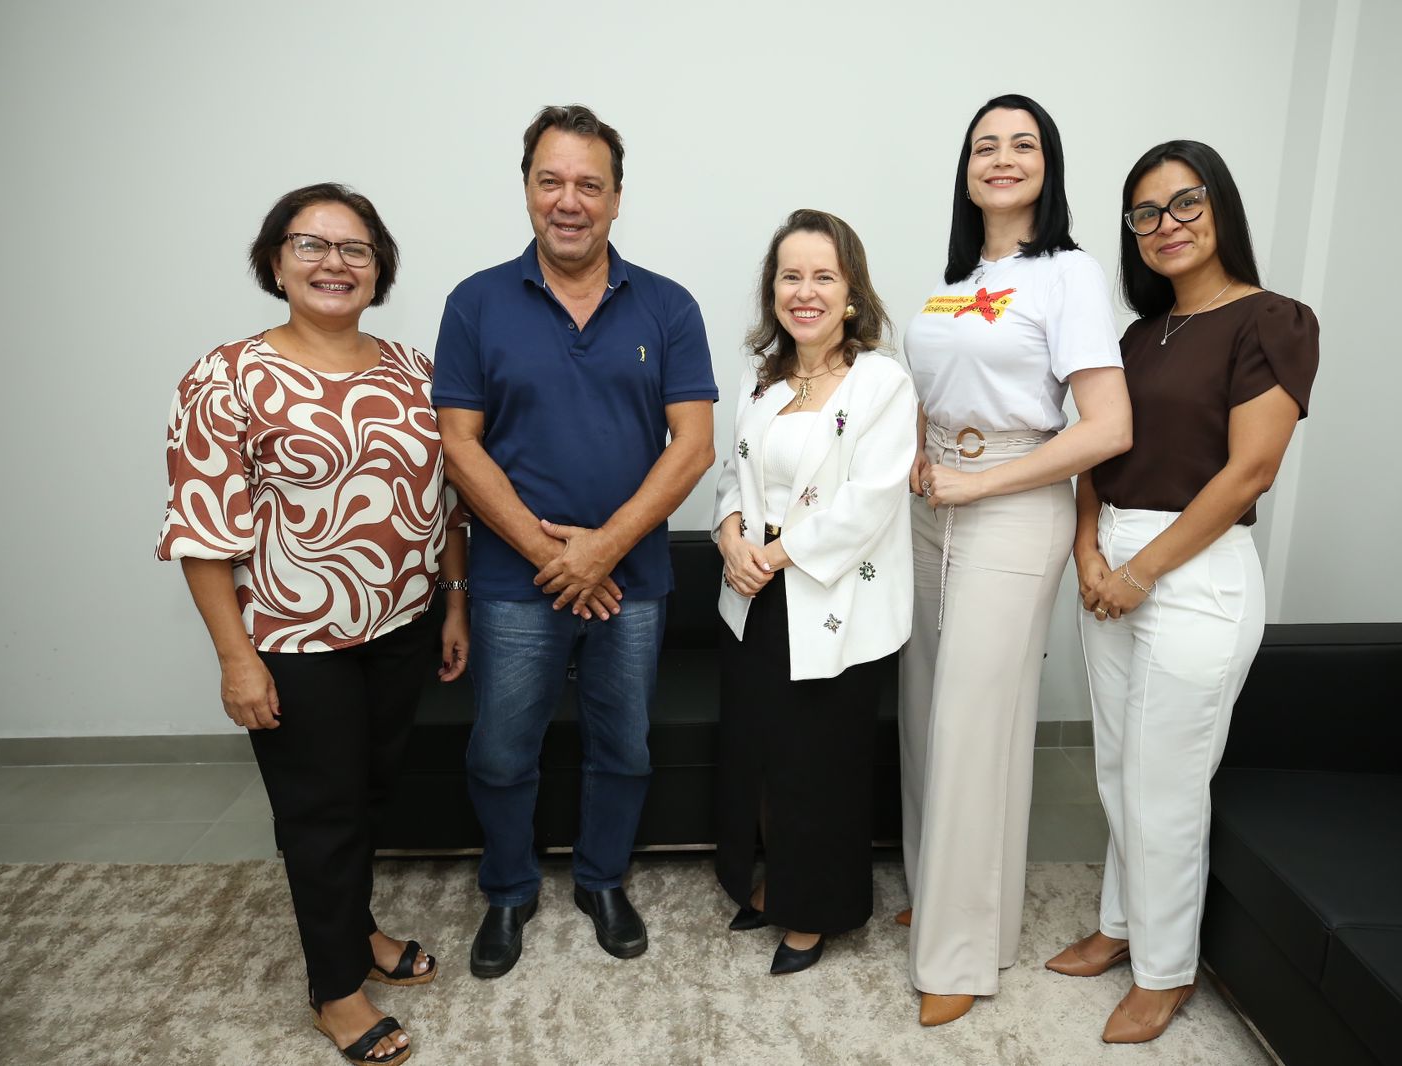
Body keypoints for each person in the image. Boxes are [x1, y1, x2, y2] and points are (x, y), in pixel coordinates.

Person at [158, 183, 468, 1066]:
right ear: (274, 262)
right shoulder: (225, 378)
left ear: (379, 269)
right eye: (312, 245)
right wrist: (236, 660)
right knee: (319, 814)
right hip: (294, 641)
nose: (335, 263)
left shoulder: (413, 371)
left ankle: (358, 928)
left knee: (370, 798)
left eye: (355, 249)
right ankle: (335, 991)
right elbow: (200, 531)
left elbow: (445, 502)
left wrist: (452, 602)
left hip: (401, 624)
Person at [433, 105, 717, 980]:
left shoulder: (667, 306)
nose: (569, 201)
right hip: (514, 586)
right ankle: (511, 891)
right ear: (526, 190)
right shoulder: (476, 302)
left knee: (622, 744)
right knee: (501, 748)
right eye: (550, 181)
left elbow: (694, 445)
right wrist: (558, 557)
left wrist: (603, 549)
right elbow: (460, 444)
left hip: (630, 581)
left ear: (617, 198)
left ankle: (601, 879)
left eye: (588, 184)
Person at [1046, 140, 1319, 1043]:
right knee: (1119, 769)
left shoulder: (1273, 320)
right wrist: (1087, 551)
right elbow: (1097, 447)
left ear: (1221, 206)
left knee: (1168, 785)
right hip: (1111, 557)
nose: (1166, 225)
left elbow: (1250, 473)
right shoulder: (1134, 336)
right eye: (1145, 213)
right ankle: (1123, 930)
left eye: (1185, 203)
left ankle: (1166, 971)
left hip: (1194, 571)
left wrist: (1139, 570)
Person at [898, 94, 1133, 1027]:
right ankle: (943, 900)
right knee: (924, 710)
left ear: (1049, 164)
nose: (1001, 158)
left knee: (974, 721)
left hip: (1011, 503)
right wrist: (923, 451)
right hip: (932, 503)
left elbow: (1108, 427)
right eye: (984, 145)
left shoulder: (1070, 274)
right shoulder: (957, 275)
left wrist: (979, 487)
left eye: (1022, 144)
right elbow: (932, 383)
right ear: (965, 168)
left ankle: (961, 954)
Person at [713, 209, 916, 975]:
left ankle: (814, 912)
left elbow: (869, 501)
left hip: (833, 603)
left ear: (851, 292)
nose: (805, 292)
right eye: (790, 276)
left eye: (823, 276)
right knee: (761, 756)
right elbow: (733, 472)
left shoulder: (881, 383)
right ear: (773, 291)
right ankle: (766, 883)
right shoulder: (759, 376)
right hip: (756, 601)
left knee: (820, 768)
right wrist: (732, 534)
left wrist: (772, 556)